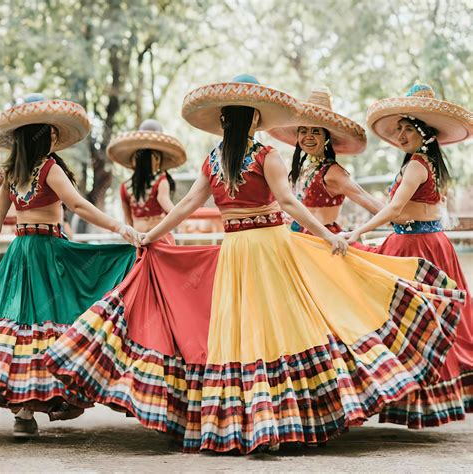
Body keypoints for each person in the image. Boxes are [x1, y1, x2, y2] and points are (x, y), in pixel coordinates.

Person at [45, 76, 464, 454]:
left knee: (241, 330)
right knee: (283, 326)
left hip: (235, 253)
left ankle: (240, 419)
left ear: (224, 123)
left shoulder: (213, 160)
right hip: (272, 248)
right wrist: (329, 235)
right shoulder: (267, 156)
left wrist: (150, 236)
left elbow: (189, 205)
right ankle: (289, 417)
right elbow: (287, 204)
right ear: (255, 122)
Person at [0, 94, 140, 438]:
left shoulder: (10, 173)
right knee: (59, 320)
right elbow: (78, 205)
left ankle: (24, 411)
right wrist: (120, 227)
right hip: (48, 252)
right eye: (50, 132)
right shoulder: (50, 168)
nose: (53, 138)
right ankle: (53, 398)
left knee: (21, 323)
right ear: (41, 135)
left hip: (21, 252)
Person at [344, 83, 473, 427]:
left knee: (417, 323)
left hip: (419, 248)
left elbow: (396, 208)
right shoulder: (422, 164)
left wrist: (358, 232)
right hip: (418, 243)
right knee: (414, 323)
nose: (400, 134)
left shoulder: (418, 165)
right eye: (398, 128)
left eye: (407, 128)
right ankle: (411, 397)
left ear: (425, 133)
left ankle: (420, 396)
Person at [269, 89, 383, 234]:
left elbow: (370, 202)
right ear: (297, 136)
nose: (309, 137)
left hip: (323, 244)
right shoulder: (304, 168)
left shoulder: (333, 172)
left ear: (326, 138)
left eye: (316, 132)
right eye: (304, 131)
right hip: (298, 241)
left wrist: (401, 219)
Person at [108, 119, 186, 243]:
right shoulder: (161, 180)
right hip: (159, 239)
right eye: (156, 156)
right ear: (155, 159)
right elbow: (171, 210)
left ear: (135, 161)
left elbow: (128, 221)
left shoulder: (125, 187)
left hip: (139, 239)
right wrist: (184, 216)